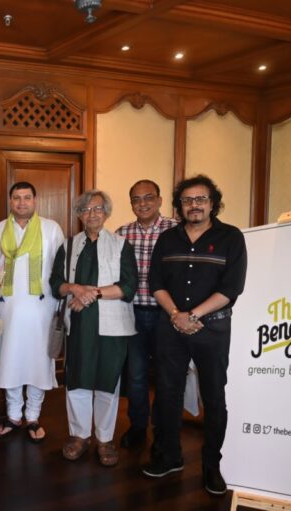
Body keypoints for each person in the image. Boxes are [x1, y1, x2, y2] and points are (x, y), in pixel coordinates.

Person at [142, 175, 247, 496]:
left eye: (201, 199)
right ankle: (169, 455)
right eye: (188, 200)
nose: (194, 205)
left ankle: (212, 465)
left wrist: (194, 315)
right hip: (170, 327)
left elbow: (232, 288)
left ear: (213, 203)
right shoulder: (167, 239)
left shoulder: (231, 237)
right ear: (179, 206)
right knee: (167, 394)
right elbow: (155, 282)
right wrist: (176, 315)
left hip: (212, 328)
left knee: (214, 397)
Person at [50, 190, 137, 467]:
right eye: (86, 209)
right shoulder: (68, 246)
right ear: (79, 214)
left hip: (113, 327)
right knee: (77, 380)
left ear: (107, 213)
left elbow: (128, 287)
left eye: (98, 208)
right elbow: (56, 284)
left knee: (107, 382)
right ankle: (78, 435)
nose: (92, 213)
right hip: (78, 326)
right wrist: (75, 288)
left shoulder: (122, 245)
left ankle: (105, 438)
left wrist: (93, 293)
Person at [0, 182, 65, 443]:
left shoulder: (51, 228)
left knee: (37, 362)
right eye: (16, 198)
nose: (22, 202)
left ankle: (32, 416)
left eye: (27, 197)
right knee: (9, 359)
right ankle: (12, 415)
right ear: (10, 201)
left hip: (41, 306)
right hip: (7, 306)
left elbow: (60, 268)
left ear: (35, 200)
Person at [115, 180, 177, 449]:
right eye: (136, 199)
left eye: (148, 197)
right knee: (137, 376)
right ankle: (138, 427)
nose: (142, 203)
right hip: (134, 314)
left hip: (167, 315)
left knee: (166, 376)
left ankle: (163, 430)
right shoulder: (122, 233)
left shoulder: (176, 230)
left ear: (160, 200)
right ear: (131, 204)